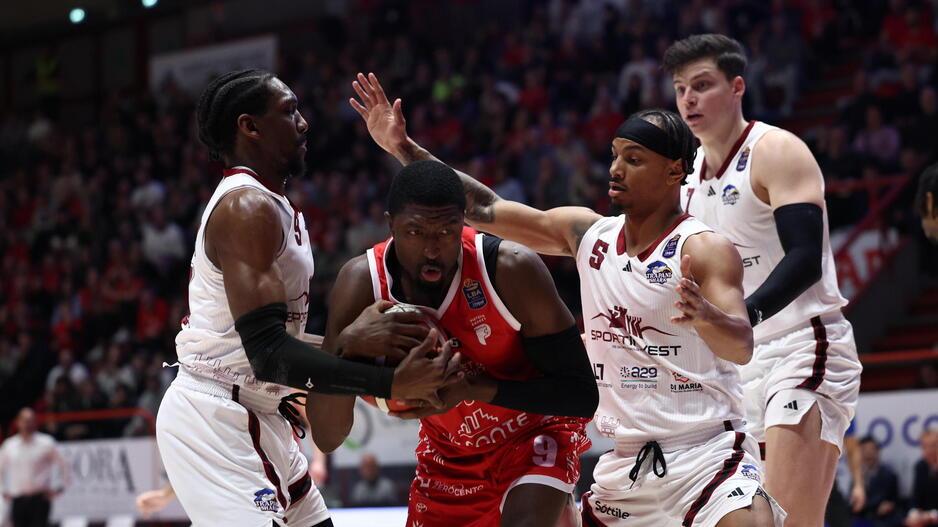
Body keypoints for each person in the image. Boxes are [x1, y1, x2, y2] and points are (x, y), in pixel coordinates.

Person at [351, 72, 784, 526]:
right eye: (615, 156)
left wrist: (707, 315)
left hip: (707, 451)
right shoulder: (588, 233)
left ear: (675, 170)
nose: (615, 169)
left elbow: (741, 345)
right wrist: (402, 147)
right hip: (627, 463)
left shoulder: (703, 247)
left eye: (634, 160)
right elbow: (481, 208)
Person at [155, 69, 459, 527]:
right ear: (249, 127)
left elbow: (276, 346)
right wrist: (384, 383)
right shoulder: (245, 209)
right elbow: (268, 355)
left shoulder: (273, 206)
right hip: (215, 413)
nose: (304, 123)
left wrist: (368, 348)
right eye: (289, 111)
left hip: (261, 410)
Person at [308, 159, 598, 526]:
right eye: (415, 232)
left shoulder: (510, 268)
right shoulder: (362, 283)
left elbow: (581, 395)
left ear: (463, 222)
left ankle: (556, 505)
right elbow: (329, 436)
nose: (432, 249)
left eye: (446, 232)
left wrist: (474, 387)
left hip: (534, 433)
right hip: (450, 454)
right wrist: (343, 350)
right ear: (390, 225)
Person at [663, 34, 863, 527]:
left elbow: (804, 259)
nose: (688, 99)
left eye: (702, 85)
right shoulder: (685, 184)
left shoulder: (775, 151)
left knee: (790, 519)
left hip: (803, 344)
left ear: (737, 88)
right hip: (737, 367)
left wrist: (742, 317)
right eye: (680, 88)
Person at [0, 408, 70, 527]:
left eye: (31, 420)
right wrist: (3, 490)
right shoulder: (10, 445)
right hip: (18, 499)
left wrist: (59, 487)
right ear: (18, 422)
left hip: (40, 499)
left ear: (35, 422)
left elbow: (64, 464)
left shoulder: (46, 443)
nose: (27, 424)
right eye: (25, 420)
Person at [857, 436, 902, 527]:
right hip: (862, 518)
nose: (868, 453)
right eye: (864, 450)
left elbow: (896, 501)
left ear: (878, 451)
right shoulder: (857, 477)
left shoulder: (889, 475)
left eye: (871, 449)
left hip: (882, 519)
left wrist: (888, 506)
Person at [906, 428, 938, 527]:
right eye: (924, 447)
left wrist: (931, 516)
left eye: (933, 445)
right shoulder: (920, 466)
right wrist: (913, 513)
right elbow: (915, 497)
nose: (929, 450)